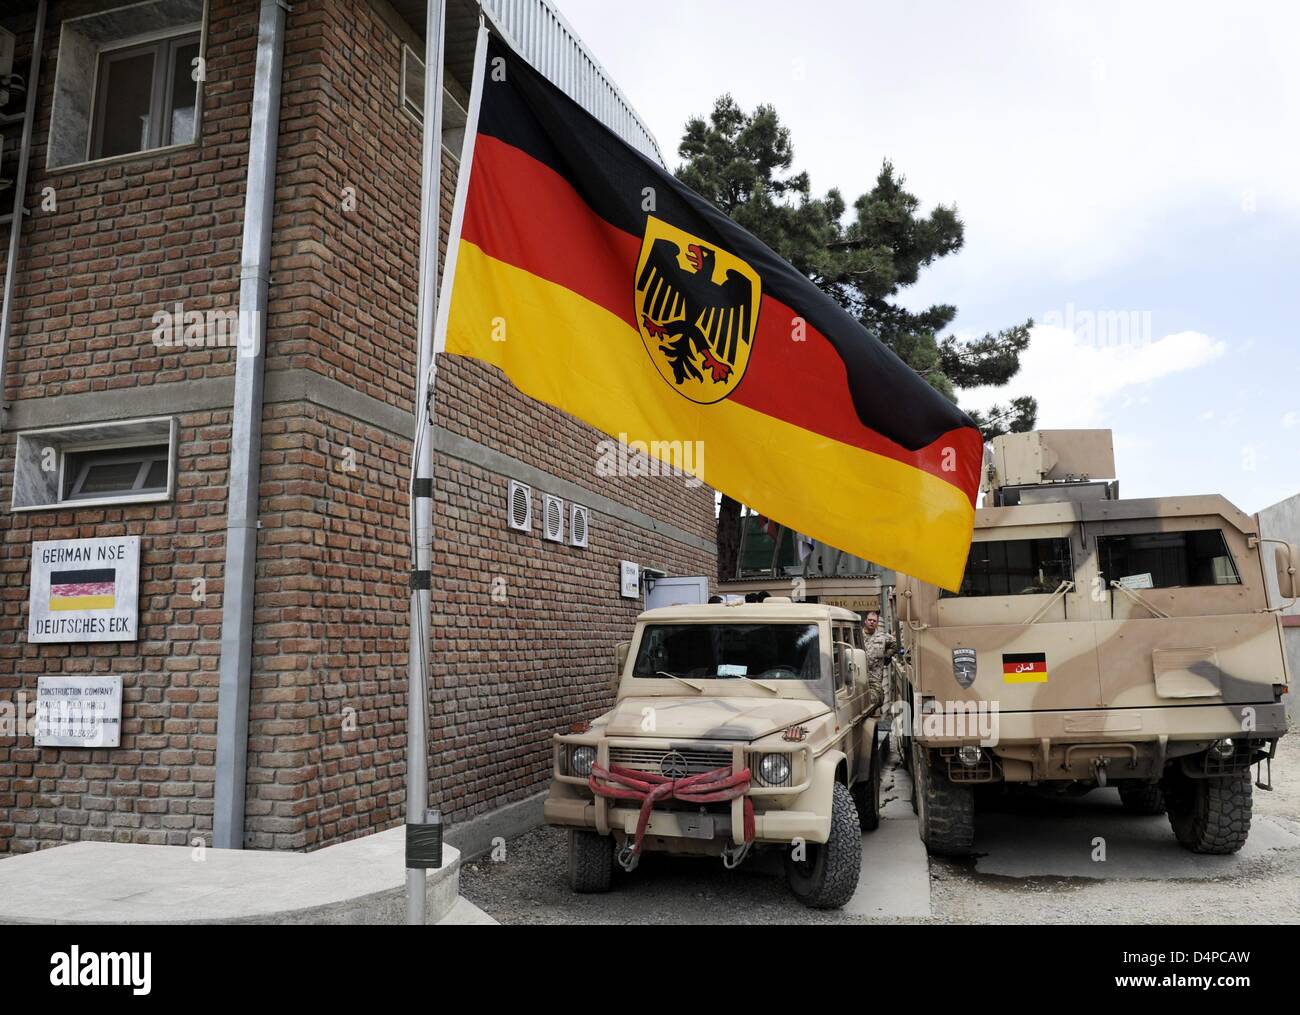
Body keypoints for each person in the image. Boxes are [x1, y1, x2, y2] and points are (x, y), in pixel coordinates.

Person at [862, 610, 895, 713]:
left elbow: (896, 645)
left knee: (871, 702)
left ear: (877, 623)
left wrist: (886, 656)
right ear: (865, 621)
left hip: (874, 681)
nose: (872, 622)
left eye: (874, 621)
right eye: (870, 620)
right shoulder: (856, 636)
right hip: (858, 680)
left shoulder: (883, 637)